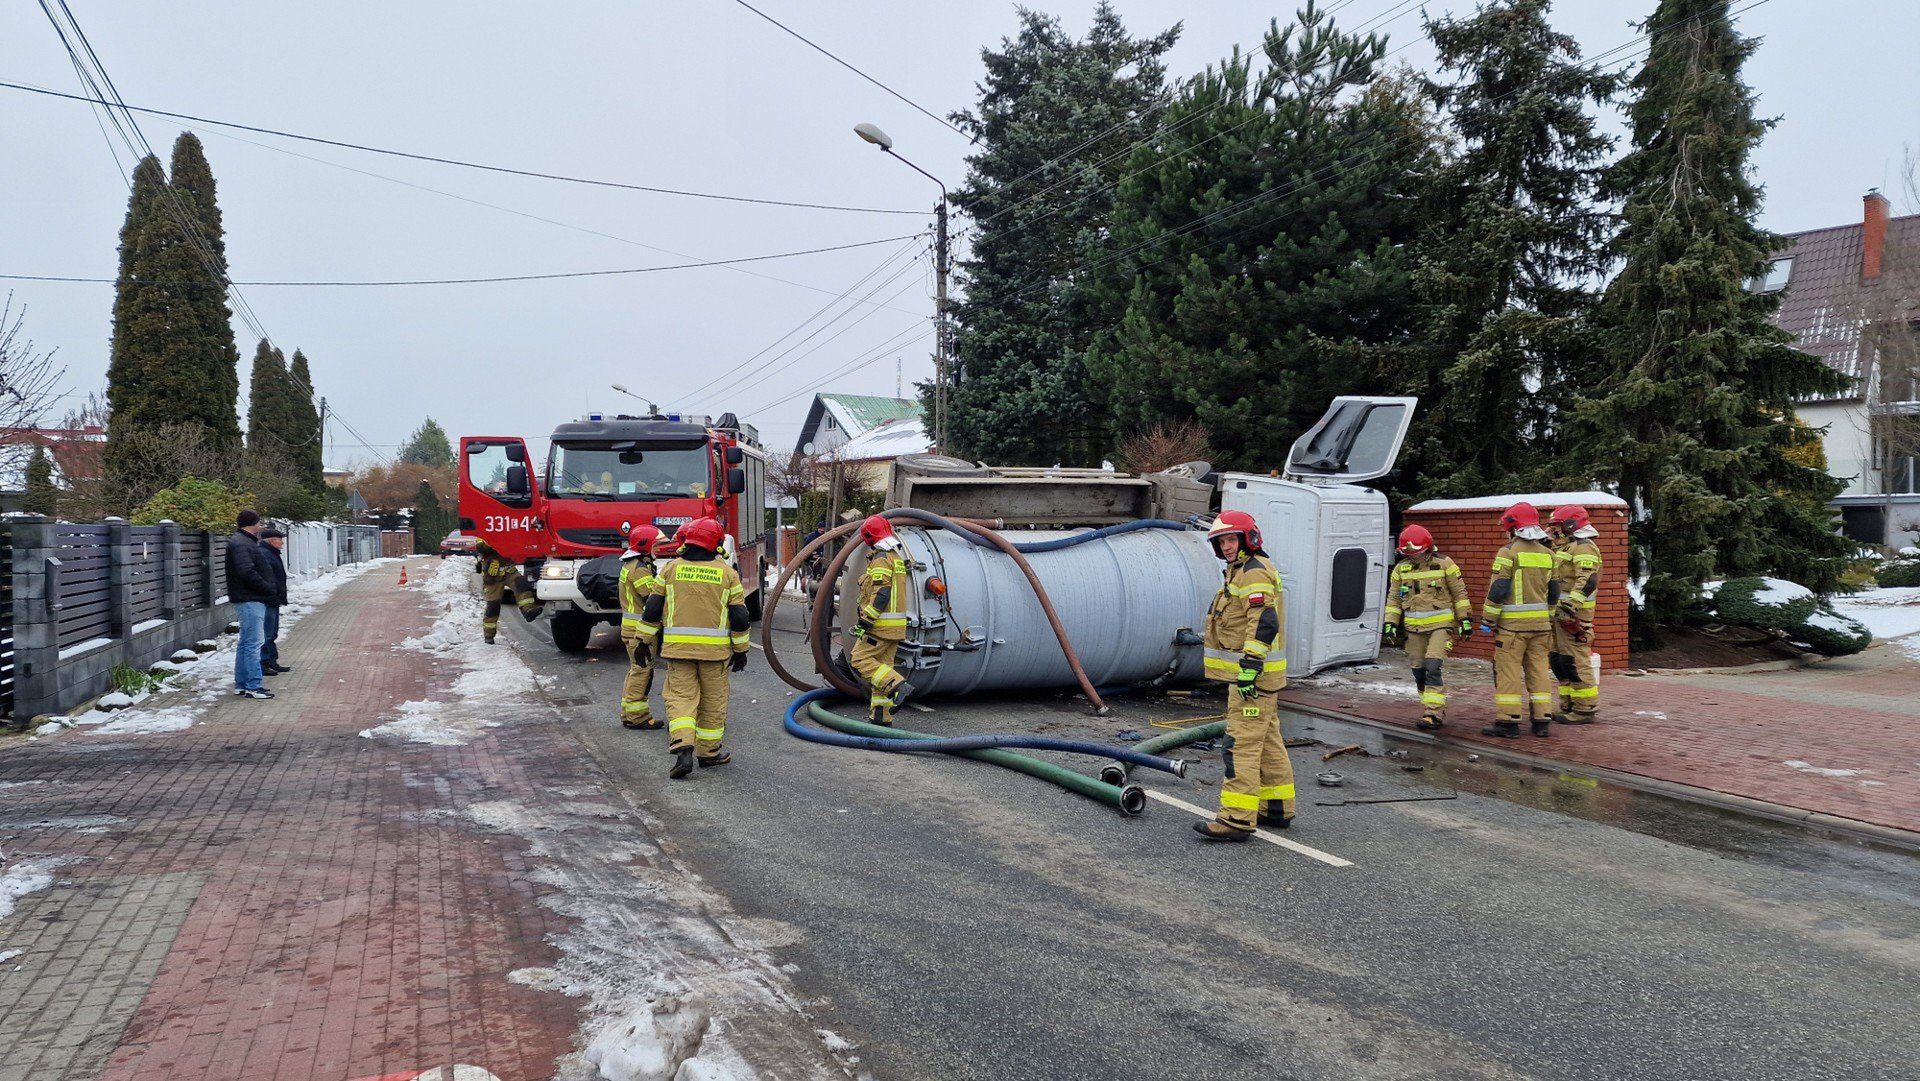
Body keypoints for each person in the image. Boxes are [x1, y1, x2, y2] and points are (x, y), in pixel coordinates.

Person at [1194, 510, 1296, 841]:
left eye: (1230, 539)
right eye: (1221, 541)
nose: (1225, 547)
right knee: (1267, 743)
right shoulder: (1241, 571)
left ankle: (1236, 819)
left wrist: (1250, 667)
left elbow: (1263, 621)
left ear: (1247, 539)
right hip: (1259, 679)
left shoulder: (1252, 574)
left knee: (1240, 745)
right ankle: (1277, 808)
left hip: (1251, 680)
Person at [637, 517, 750, 779]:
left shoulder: (670, 570)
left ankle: (683, 747)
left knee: (680, 699)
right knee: (712, 702)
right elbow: (740, 617)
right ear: (716, 544)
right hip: (715, 655)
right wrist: (741, 650)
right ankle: (708, 754)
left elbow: (652, 608)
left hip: (678, 652)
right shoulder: (727, 574)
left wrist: (643, 641)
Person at [1480, 501, 1561, 739]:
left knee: (1509, 672)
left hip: (1512, 628)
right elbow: (1554, 592)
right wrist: (1548, 617)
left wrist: (1488, 619)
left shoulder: (1508, 552)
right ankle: (1541, 721)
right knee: (1538, 671)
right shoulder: (1549, 554)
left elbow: (1499, 589)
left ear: (1513, 528)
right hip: (1541, 627)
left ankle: (1508, 722)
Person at [1381, 524, 1470, 730]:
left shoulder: (1445, 564)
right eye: (1408, 553)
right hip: (1414, 630)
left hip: (1441, 626)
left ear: (1428, 548)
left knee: (1433, 666)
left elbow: (1459, 594)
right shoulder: (1400, 569)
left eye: (1417, 553)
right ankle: (1430, 705)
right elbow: (1394, 599)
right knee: (1419, 672)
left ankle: (1432, 713)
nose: (1413, 557)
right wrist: (1390, 623)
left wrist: (1465, 620)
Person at [849, 514, 912, 726]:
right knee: (881, 668)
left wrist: (865, 622)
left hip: (880, 627)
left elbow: (882, 594)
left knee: (859, 659)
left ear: (868, 536)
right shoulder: (895, 556)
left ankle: (898, 685)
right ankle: (880, 717)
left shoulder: (881, 559)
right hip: (895, 628)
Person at [1549, 504, 1604, 724]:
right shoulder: (1566, 547)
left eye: (1556, 526)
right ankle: (1568, 704)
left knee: (1574, 661)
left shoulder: (1584, 547)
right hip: (1559, 616)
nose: (1553, 530)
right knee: (1559, 660)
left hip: (1573, 616)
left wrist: (1571, 607)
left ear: (1570, 525)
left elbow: (1588, 580)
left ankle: (1585, 708)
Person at [224, 509, 276, 700]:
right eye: (259, 522)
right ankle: (254, 686)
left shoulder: (242, 541)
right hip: (250, 598)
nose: (261, 526)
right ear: (252, 523)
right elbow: (246, 572)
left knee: (246, 643)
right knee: (254, 643)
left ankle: (242, 684)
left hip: (248, 597)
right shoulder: (241, 543)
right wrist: (267, 588)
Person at [618, 524, 663, 730]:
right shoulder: (640, 569)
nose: (659, 549)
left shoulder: (631, 564)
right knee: (642, 672)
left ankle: (629, 713)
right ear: (645, 545)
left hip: (630, 629)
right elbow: (653, 599)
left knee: (636, 671)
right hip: (639, 630)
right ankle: (638, 717)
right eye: (656, 545)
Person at [476, 540, 543, 644]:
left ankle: (529, 611)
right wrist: (490, 543)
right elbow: (480, 547)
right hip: (492, 575)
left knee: (521, 584)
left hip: (509, 570)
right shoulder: (488, 529)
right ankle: (489, 635)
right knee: (493, 605)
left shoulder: (506, 527)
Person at [259, 527, 291, 675]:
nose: (282, 543)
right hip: (268, 600)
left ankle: (271, 661)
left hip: (273, 599)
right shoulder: (265, 554)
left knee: (272, 632)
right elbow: (267, 579)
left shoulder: (272, 553)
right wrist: (272, 594)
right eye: (280, 540)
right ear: (272, 540)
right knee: (267, 633)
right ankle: (264, 663)